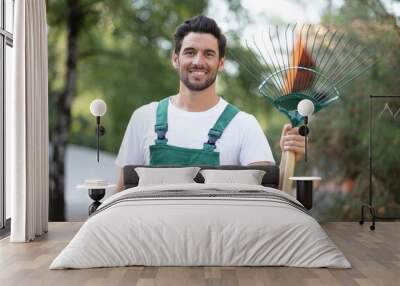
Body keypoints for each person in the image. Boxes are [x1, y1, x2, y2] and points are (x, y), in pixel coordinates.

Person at [115, 15, 305, 192]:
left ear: (221, 63)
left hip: (218, 229)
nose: (198, 61)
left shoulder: (244, 124)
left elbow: (267, 196)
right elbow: (122, 192)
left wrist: (289, 157)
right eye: (190, 52)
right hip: (152, 228)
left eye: (208, 54)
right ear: (175, 58)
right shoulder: (144, 117)